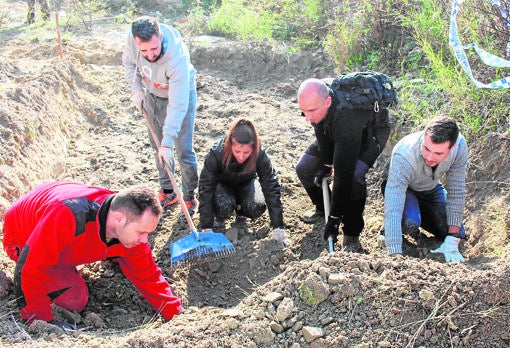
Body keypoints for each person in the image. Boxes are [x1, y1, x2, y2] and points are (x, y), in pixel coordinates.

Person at [2, 181, 183, 327]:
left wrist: (175, 313)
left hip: (57, 219)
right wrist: (39, 320)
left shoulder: (124, 218)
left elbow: (148, 274)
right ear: (119, 219)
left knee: (129, 251)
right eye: (141, 232)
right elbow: (30, 268)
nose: (145, 240)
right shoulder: (68, 216)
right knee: (76, 298)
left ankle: (105, 255)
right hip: (24, 235)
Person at [295, 78, 391, 251]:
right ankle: (322, 208)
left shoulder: (347, 117)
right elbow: (319, 127)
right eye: (303, 111)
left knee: (354, 177)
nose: (307, 118)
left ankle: (352, 234)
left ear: (328, 102)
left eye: (311, 111)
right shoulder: (321, 103)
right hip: (339, 129)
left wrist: (334, 219)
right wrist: (326, 162)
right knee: (305, 168)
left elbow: (342, 174)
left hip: (370, 134)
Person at [123, 15, 199, 215]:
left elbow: (177, 105)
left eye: (154, 49)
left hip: (180, 97)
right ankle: (168, 191)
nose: (149, 55)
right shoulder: (132, 41)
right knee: (158, 146)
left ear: (161, 36)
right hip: (153, 94)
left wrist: (168, 142)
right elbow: (129, 63)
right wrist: (137, 89)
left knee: (183, 149)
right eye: (144, 50)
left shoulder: (177, 58)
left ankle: (189, 196)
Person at [382, 116, 468, 262]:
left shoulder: (459, 147)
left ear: (451, 148)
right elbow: (394, 205)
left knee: (458, 231)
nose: (429, 157)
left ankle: (421, 213)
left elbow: (457, 190)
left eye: (438, 154)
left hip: (430, 188)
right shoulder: (404, 154)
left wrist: (453, 239)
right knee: (411, 221)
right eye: (426, 148)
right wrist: (395, 254)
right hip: (404, 189)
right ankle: (388, 230)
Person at [198, 118, 287, 243]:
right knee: (224, 204)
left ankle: (241, 212)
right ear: (230, 145)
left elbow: (270, 184)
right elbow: (205, 186)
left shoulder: (259, 154)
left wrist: (278, 226)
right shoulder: (217, 153)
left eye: (246, 152)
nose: (241, 156)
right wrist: (206, 226)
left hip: (246, 184)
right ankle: (220, 216)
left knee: (256, 206)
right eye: (237, 151)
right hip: (223, 186)